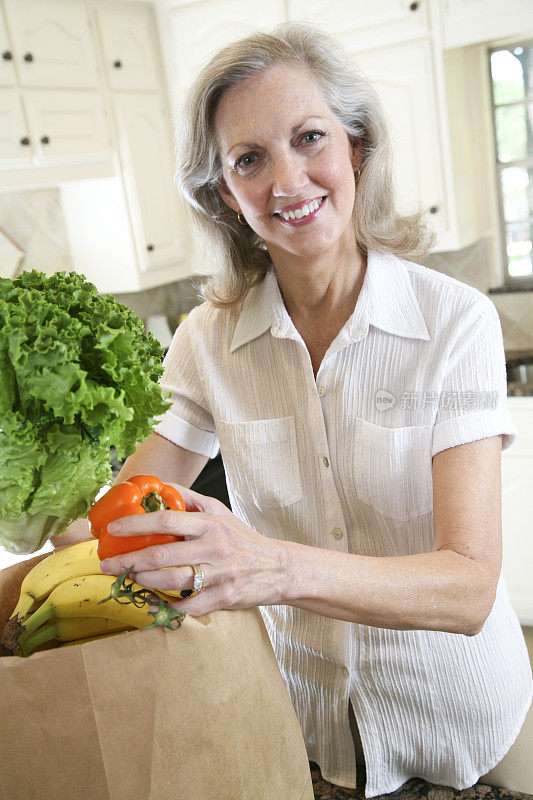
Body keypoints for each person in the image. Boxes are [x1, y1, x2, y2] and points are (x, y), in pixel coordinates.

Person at [55, 22, 533, 797]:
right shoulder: (206, 341)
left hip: (458, 737)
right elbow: (118, 522)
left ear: (355, 148)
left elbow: (467, 587)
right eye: (249, 159)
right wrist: (32, 499)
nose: (287, 180)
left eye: (309, 138)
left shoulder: (454, 321)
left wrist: (266, 566)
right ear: (222, 192)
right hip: (299, 731)